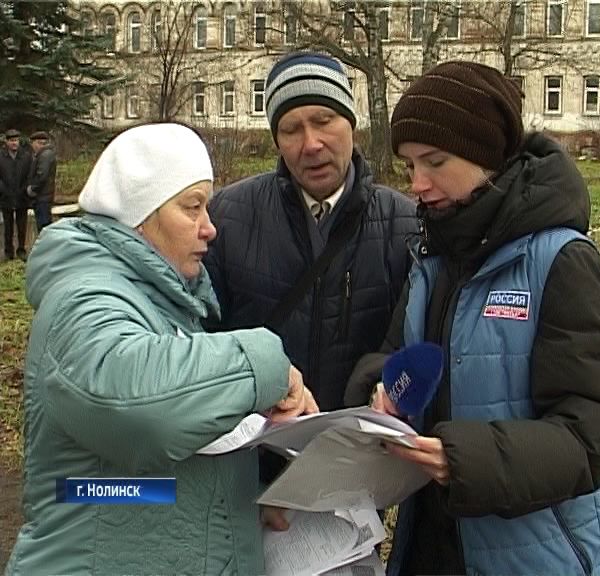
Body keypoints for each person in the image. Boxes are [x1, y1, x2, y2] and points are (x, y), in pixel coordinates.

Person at [347, 61, 600, 575]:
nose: (418, 184)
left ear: (488, 157)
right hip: (427, 546)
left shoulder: (558, 259)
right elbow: (395, 357)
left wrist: (464, 459)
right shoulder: (431, 257)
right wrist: (383, 395)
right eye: (409, 166)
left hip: (535, 553)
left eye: (434, 162)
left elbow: (589, 435)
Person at [5, 123, 318, 576]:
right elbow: (136, 406)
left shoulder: (160, 299)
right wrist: (266, 363)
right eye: (192, 208)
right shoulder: (84, 297)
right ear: (140, 213)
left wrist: (234, 506)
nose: (210, 228)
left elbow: (119, 488)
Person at [204, 51, 417, 411]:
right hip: (259, 447)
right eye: (291, 130)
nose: (311, 144)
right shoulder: (227, 215)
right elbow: (202, 338)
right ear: (276, 140)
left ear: (351, 123)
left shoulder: (406, 225)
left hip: (358, 450)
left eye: (324, 120)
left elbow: (416, 346)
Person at [0, 129, 32, 261]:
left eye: (16, 140)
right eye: (12, 141)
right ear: (6, 142)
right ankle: (9, 252)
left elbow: (29, 175)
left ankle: (21, 250)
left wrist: (24, 190)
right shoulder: (1, 156)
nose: (14, 143)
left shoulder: (25, 156)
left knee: (22, 225)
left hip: (21, 196)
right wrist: (3, 189)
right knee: (8, 226)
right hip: (5, 196)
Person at [26, 130, 57, 234]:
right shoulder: (45, 154)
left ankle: (47, 249)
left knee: (44, 228)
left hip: (42, 197)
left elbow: (42, 176)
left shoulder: (44, 155)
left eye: (33, 143)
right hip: (44, 196)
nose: (32, 146)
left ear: (37, 143)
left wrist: (32, 189)